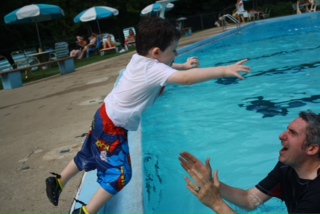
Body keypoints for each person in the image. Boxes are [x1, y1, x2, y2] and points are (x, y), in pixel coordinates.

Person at [45, 17, 250, 214]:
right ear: (157, 52)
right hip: (113, 127)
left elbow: (163, 67)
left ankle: (59, 181)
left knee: (89, 152)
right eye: (174, 50)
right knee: (120, 176)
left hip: (103, 114)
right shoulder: (153, 69)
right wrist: (223, 70)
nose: (177, 54)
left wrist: (182, 65)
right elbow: (186, 79)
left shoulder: (140, 60)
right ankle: (86, 212)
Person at [179, 110, 320, 214]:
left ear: (312, 149)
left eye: (293, 133)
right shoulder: (288, 166)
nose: (281, 136)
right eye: (286, 130)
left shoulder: (316, 197)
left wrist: (217, 204)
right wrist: (211, 183)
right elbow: (250, 200)